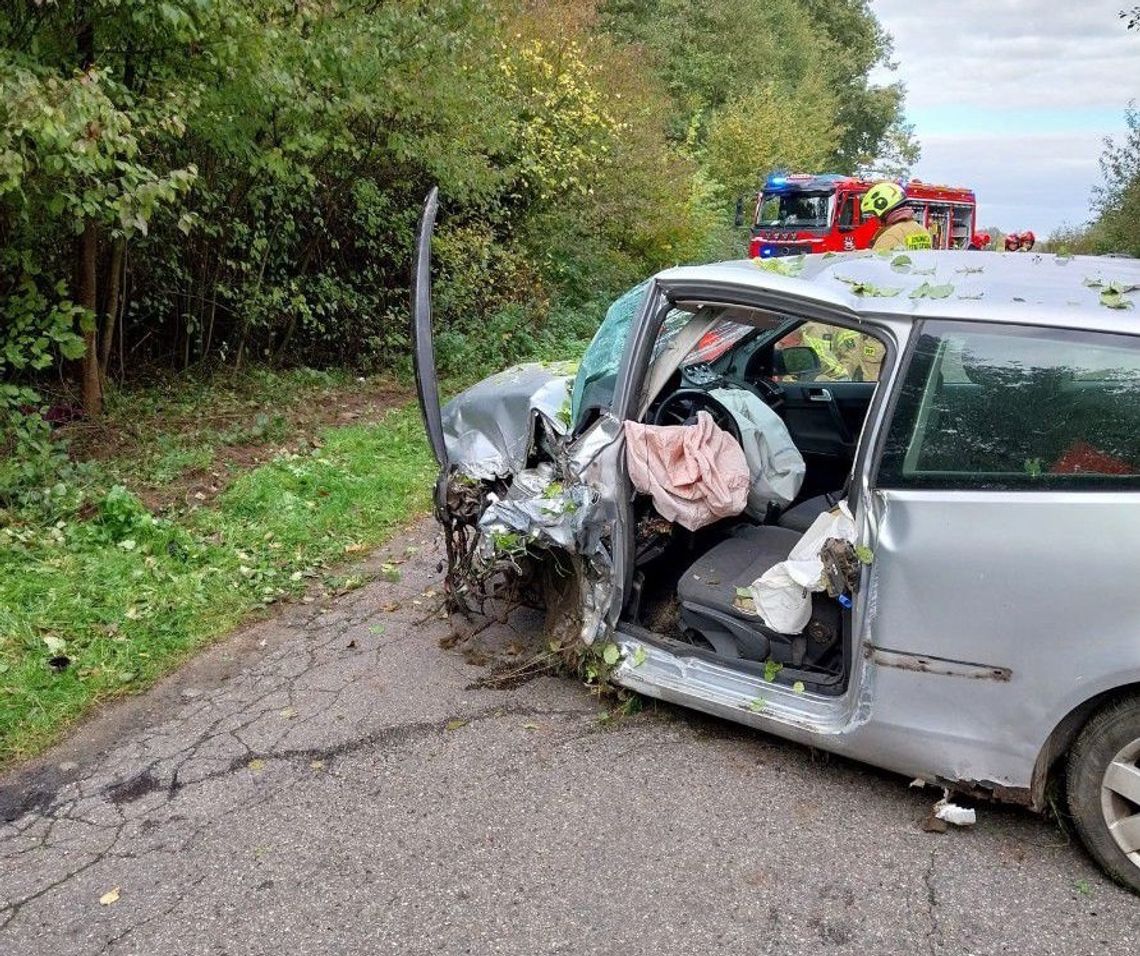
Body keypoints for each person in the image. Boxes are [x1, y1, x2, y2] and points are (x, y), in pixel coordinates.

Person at [860, 182, 933, 252]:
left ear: (883, 210)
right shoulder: (923, 231)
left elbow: (876, 263)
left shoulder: (890, 236)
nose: (877, 219)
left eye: (876, 214)